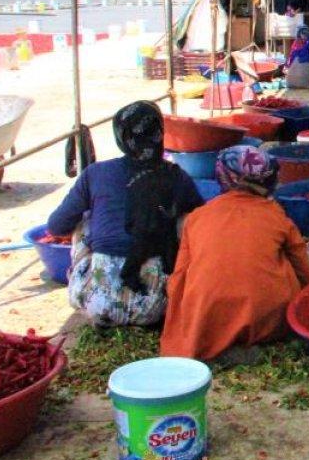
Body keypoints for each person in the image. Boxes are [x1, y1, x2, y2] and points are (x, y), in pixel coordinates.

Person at [48, 101, 203, 327]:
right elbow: (204, 226)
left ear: (121, 138)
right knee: (185, 219)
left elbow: (57, 226)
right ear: (160, 133)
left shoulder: (96, 173)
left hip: (97, 302)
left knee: (85, 219)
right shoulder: (178, 177)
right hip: (156, 306)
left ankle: (101, 292)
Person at [160, 147, 309, 362]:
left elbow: (179, 277)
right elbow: (303, 269)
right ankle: (256, 340)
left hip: (207, 320)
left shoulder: (196, 218)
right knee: (284, 266)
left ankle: (220, 343)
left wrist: (181, 322)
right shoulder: (275, 215)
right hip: (266, 320)